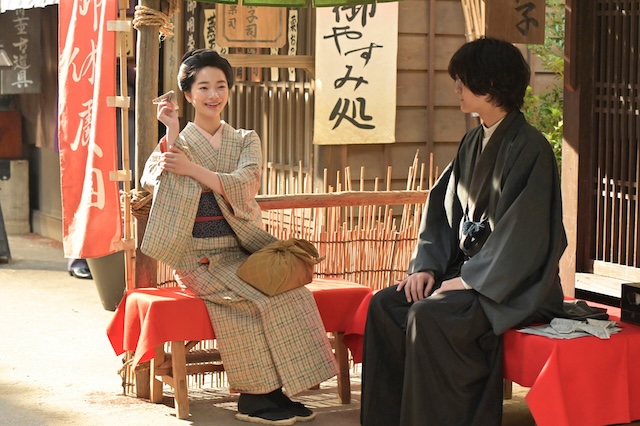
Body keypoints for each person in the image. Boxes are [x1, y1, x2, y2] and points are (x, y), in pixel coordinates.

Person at [360, 37, 573, 426]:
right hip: (470, 273)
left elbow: (524, 236)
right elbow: (441, 211)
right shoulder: (473, 140)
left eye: (463, 80)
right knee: (387, 306)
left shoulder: (532, 148)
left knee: (430, 315)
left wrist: (470, 280)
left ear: (490, 85)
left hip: (514, 285)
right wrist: (426, 267)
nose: (456, 88)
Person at [140, 49, 337, 425]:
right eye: (203, 87)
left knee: (292, 293)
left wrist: (194, 171)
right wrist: (172, 133)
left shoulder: (246, 138)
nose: (213, 94)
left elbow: (247, 182)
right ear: (188, 95)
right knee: (251, 300)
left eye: (220, 86)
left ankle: (278, 392)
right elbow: (156, 181)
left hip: (242, 249)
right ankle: (253, 397)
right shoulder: (178, 140)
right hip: (198, 257)